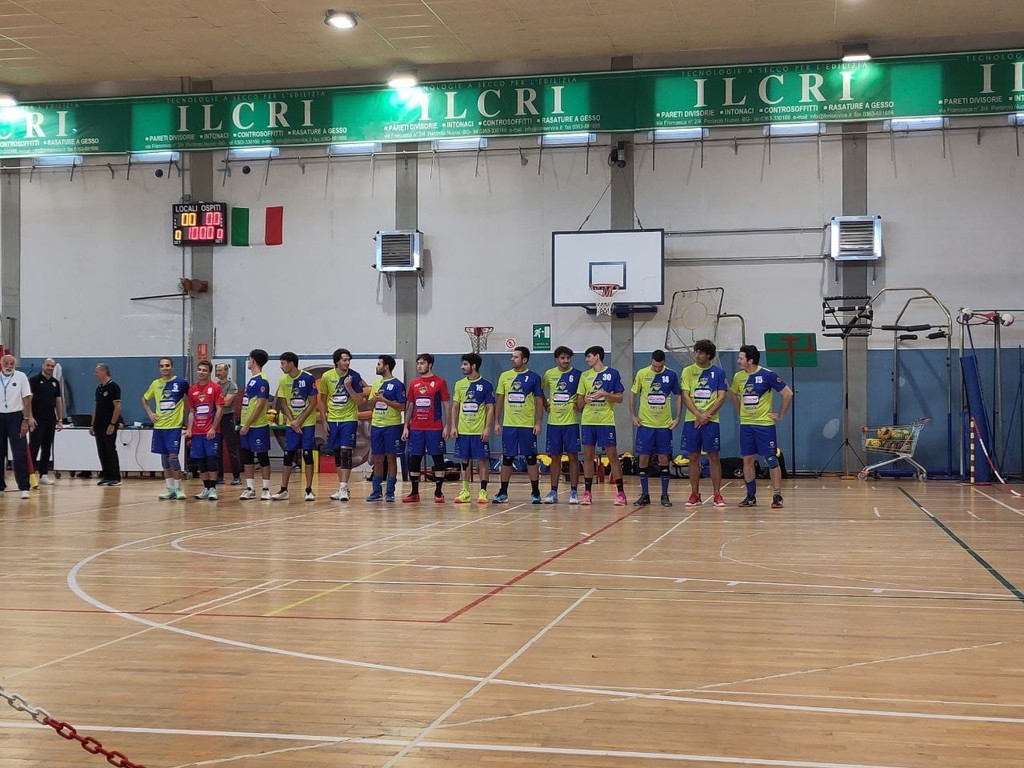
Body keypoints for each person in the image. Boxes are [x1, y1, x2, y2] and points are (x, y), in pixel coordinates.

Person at [729, 344, 793, 509]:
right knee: (747, 459)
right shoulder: (738, 377)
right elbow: (733, 393)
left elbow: (788, 393)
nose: (738, 361)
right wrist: (739, 410)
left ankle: (777, 495)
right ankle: (750, 496)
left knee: (770, 458)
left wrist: (781, 414)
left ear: (750, 360)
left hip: (764, 425)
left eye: (741, 358)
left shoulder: (767, 375)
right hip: (746, 425)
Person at [493, 345, 545, 504]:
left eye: (516, 357)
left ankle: (535, 492)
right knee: (507, 458)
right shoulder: (504, 376)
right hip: (509, 425)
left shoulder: (534, 378)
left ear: (524, 359)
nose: (512, 359)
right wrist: (497, 422)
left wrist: (538, 423)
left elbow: (539, 401)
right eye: (512, 356)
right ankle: (503, 492)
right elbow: (499, 401)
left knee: (531, 458)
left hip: (527, 425)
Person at [630, 349, 681, 507]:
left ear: (664, 362)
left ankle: (664, 495)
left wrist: (677, 418)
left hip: (664, 425)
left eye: (660, 366)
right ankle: (645, 494)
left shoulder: (671, 375)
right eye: (654, 366)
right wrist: (633, 415)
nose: (657, 369)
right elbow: (633, 394)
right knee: (643, 458)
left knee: (664, 458)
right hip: (645, 425)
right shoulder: (642, 373)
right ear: (651, 361)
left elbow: (679, 395)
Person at [680, 339, 728, 507]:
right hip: (691, 420)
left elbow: (721, 397)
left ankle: (717, 494)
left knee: (713, 456)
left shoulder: (718, 373)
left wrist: (707, 415)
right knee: (693, 456)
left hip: (711, 420)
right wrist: (697, 415)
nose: (697, 355)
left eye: (700, 352)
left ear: (708, 355)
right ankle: (694, 494)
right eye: (696, 352)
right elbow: (685, 395)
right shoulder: (687, 371)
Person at [576, 345, 627, 506]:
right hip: (588, 421)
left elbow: (620, 398)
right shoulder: (585, 376)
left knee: (612, 456)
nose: (587, 360)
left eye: (589, 356)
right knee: (588, 456)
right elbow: (578, 403)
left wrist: (604, 394)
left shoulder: (612, 374)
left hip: (605, 421)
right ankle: (587, 493)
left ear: (597, 356)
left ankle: (620, 493)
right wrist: (584, 400)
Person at [319, 348, 369, 502]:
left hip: (349, 419)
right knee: (337, 453)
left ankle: (343, 487)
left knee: (346, 452)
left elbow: (359, 401)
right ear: (337, 361)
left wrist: (349, 387)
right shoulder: (327, 376)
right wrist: (324, 421)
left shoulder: (354, 376)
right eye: (344, 360)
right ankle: (342, 487)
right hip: (333, 420)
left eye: (348, 360)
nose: (347, 363)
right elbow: (322, 400)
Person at [402, 353, 452, 503]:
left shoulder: (440, 382)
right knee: (414, 459)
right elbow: (410, 406)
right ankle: (414, 492)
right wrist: (406, 426)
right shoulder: (414, 383)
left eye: (422, 363)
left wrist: (448, 425)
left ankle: (438, 492)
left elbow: (446, 405)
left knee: (437, 458)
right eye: (418, 363)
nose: (419, 366)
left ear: (430, 365)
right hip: (416, 428)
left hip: (434, 428)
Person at [272, 352, 319, 501]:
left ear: (291, 364)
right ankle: (283, 490)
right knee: (288, 454)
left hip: (307, 423)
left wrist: (300, 420)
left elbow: (313, 402)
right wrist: (293, 421)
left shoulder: (308, 378)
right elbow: (284, 403)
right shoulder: (283, 379)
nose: (281, 367)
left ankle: (309, 490)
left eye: (283, 363)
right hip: (292, 424)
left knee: (307, 453)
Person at [449, 352, 494, 504]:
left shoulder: (486, 385)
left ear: (473, 366)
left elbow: (490, 408)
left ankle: (483, 492)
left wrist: (487, 428)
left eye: (465, 364)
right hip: (463, 431)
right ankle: (465, 491)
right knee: (465, 461)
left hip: (478, 431)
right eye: (462, 364)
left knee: (482, 461)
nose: (462, 367)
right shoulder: (459, 384)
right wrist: (453, 426)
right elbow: (455, 407)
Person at [141, 357, 189, 500]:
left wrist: (187, 416)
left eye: (167, 365)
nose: (165, 368)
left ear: (172, 367)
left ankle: (179, 489)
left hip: (174, 426)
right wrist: (150, 413)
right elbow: (144, 399)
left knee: (173, 458)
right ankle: (170, 489)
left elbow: (192, 398)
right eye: (162, 366)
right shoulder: (155, 384)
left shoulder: (181, 382)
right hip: (159, 426)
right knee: (164, 460)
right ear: (159, 368)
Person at [541, 345, 582, 504]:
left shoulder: (577, 375)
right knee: (555, 457)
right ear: (556, 359)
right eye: (562, 358)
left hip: (571, 422)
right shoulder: (549, 374)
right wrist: (546, 405)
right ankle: (553, 491)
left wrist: (579, 405)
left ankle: (574, 492)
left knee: (573, 457)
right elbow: (540, 391)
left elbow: (582, 394)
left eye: (568, 358)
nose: (565, 361)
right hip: (553, 423)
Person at [367, 354, 405, 502]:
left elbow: (402, 406)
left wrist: (385, 400)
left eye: (379, 364)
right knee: (377, 458)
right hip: (377, 425)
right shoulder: (376, 384)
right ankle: (376, 491)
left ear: (387, 367)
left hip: (392, 426)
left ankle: (390, 492)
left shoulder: (397, 384)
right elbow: (369, 405)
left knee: (391, 458)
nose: (377, 367)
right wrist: (375, 399)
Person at [186, 360, 225, 500]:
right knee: (201, 461)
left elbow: (220, 409)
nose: (201, 372)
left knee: (211, 459)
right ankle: (206, 488)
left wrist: (213, 428)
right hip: (197, 432)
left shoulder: (215, 388)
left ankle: (213, 488)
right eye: (199, 369)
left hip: (211, 432)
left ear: (209, 372)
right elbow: (192, 411)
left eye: (204, 370)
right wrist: (189, 429)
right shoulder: (192, 390)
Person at [238, 349, 273, 500]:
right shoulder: (252, 379)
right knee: (247, 457)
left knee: (262, 456)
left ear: (253, 361)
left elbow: (260, 404)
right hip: (246, 424)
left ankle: (265, 489)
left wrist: (248, 424)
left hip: (258, 426)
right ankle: (250, 488)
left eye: (249, 359)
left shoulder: (262, 380)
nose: (248, 361)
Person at [0, 354, 34, 499]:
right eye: (6, 363)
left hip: (16, 417)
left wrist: (26, 419)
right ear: (1, 364)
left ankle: (24, 487)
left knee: (19, 453)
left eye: (12, 364)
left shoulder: (21, 377)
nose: (9, 366)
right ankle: (0, 485)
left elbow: (27, 399)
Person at [29, 357, 64, 486]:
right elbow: (28, 400)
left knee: (47, 448)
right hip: (37, 420)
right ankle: (30, 475)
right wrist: (29, 417)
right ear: (43, 365)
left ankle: (43, 474)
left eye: (52, 366)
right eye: (48, 365)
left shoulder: (55, 382)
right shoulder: (34, 380)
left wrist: (60, 419)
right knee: (34, 447)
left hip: (50, 420)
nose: (50, 368)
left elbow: (58, 401)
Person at [90, 363, 122, 486]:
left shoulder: (113, 387)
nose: (95, 374)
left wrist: (112, 424)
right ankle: (106, 475)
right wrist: (92, 424)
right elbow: (96, 407)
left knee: (110, 449)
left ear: (104, 372)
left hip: (109, 424)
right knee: (101, 450)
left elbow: (117, 406)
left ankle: (115, 477)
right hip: (99, 425)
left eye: (97, 372)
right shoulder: (99, 388)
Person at [214, 362, 242, 485]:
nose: (218, 373)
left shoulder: (232, 385)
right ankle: (219, 476)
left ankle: (236, 476)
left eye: (220, 370)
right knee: (217, 448)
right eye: (217, 371)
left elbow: (226, 402)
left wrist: (216, 400)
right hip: (216, 418)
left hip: (227, 417)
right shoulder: (215, 386)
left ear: (226, 371)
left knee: (232, 448)